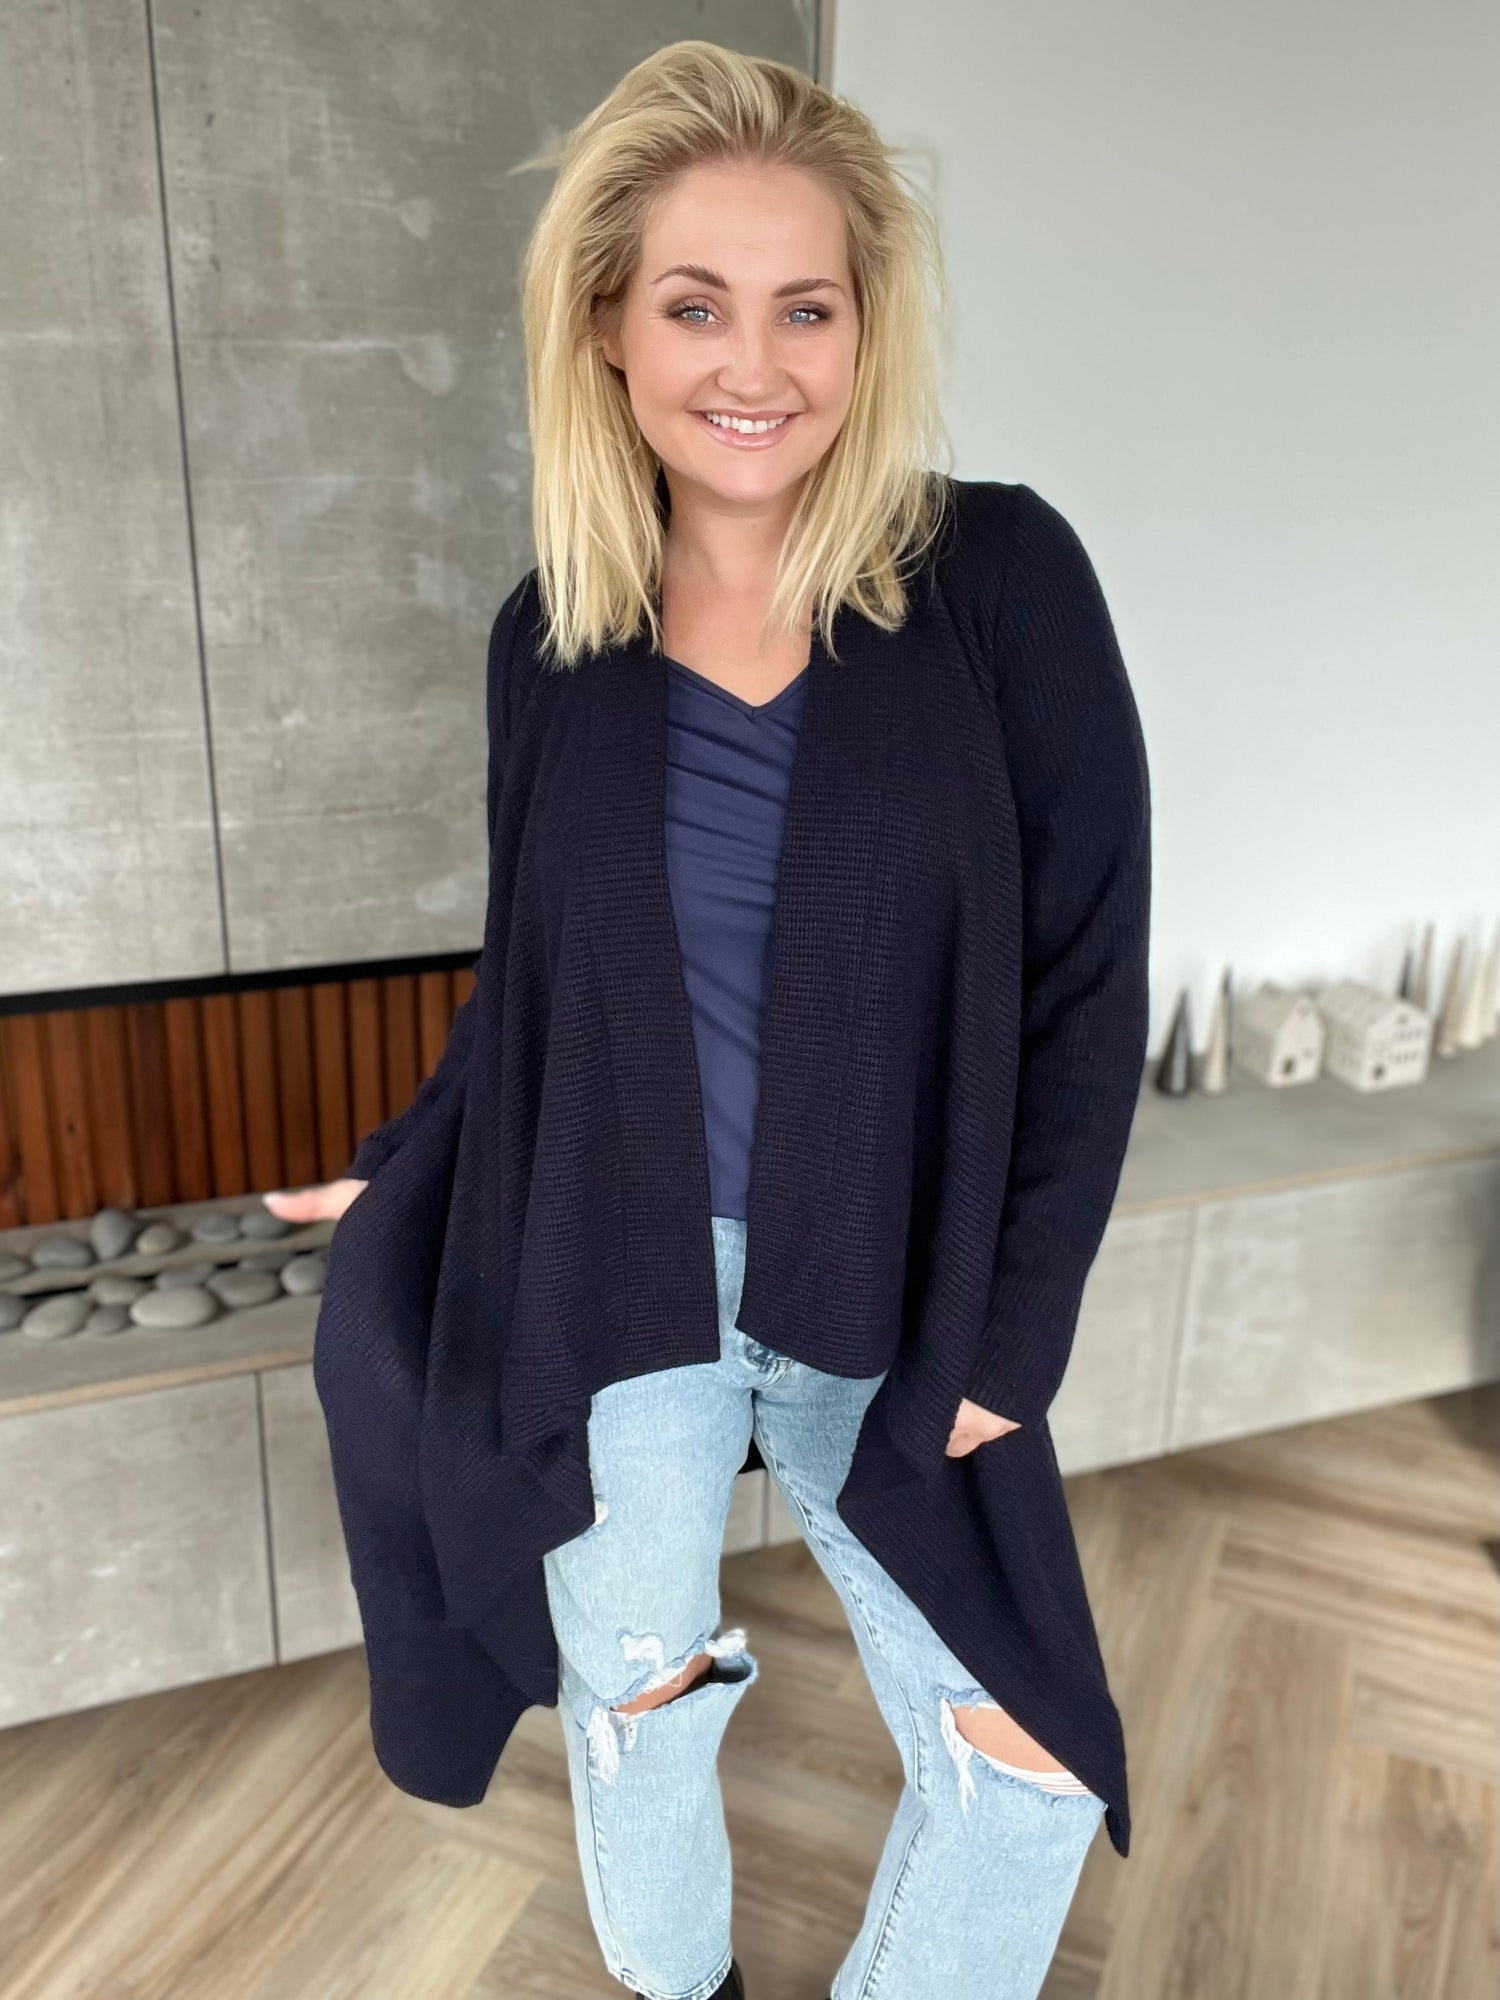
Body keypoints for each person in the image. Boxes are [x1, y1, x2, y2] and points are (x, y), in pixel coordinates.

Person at [268, 41, 1152, 2000]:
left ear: (865, 326)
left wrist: (1018, 1329)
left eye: (804, 307)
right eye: (695, 304)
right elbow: (537, 981)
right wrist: (406, 1167)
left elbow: (1091, 979)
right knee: (640, 1707)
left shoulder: (997, 577)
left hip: (896, 1280)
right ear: (606, 324)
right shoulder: (551, 635)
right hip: (609, 1277)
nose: (754, 363)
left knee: (1022, 1760)